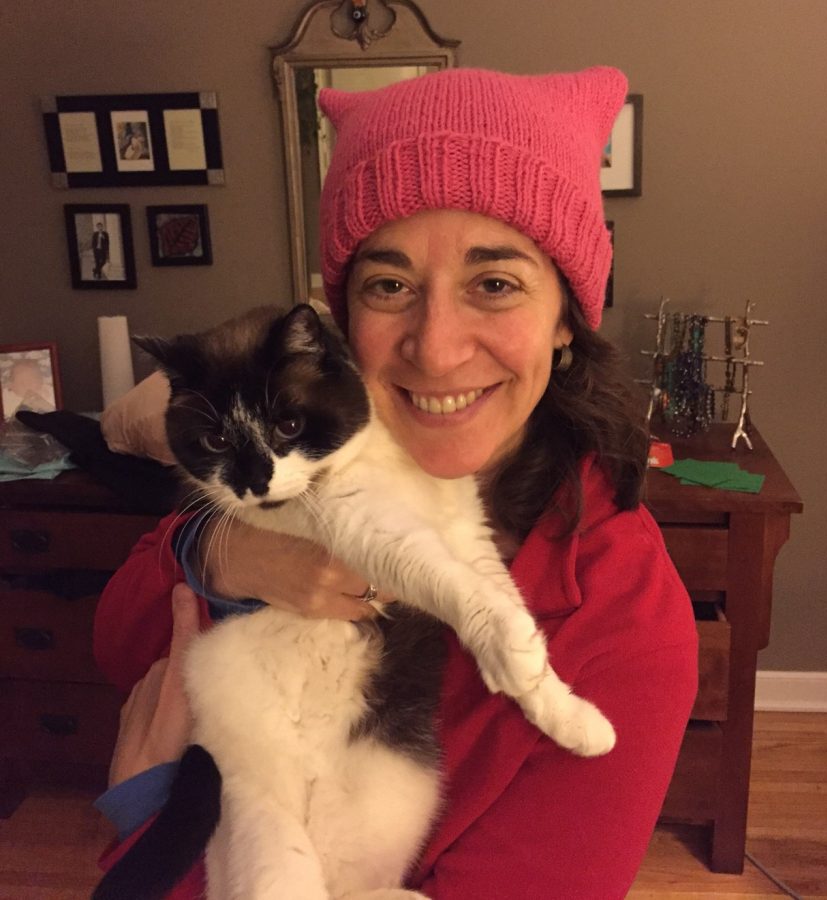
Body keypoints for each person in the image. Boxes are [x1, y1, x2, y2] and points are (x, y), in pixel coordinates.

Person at [93, 66, 698, 898]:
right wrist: (217, 558)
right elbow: (119, 639)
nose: (436, 346)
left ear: (565, 318)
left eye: (495, 283)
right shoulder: (290, 461)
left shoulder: (622, 611)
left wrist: (148, 827)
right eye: (390, 285)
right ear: (342, 318)